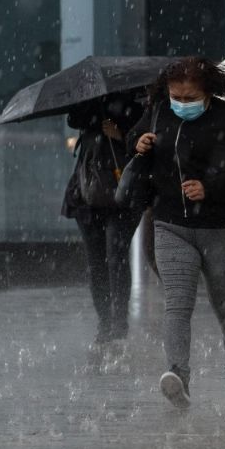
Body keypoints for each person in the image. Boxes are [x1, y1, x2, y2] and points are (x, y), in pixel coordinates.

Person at [128, 57, 225, 408]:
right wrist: (139, 143)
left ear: (208, 91)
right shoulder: (158, 112)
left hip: (220, 228)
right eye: (176, 96)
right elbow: (132, 138)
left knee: (224, 303)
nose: (182, 103)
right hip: (171, 224)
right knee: (178, 303)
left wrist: (210, 187)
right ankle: (179, 375)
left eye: (190, 97)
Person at [62, 92, 144, 346]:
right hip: (87, 196)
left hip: (121, 196)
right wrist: (97, 109)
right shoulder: (87, 103)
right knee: (97, 261)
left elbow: (147, 142)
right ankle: (105, 322)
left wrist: (120, 134)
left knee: (116, 257)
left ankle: (118, 323)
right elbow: (74, 119)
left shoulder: (135, 106)